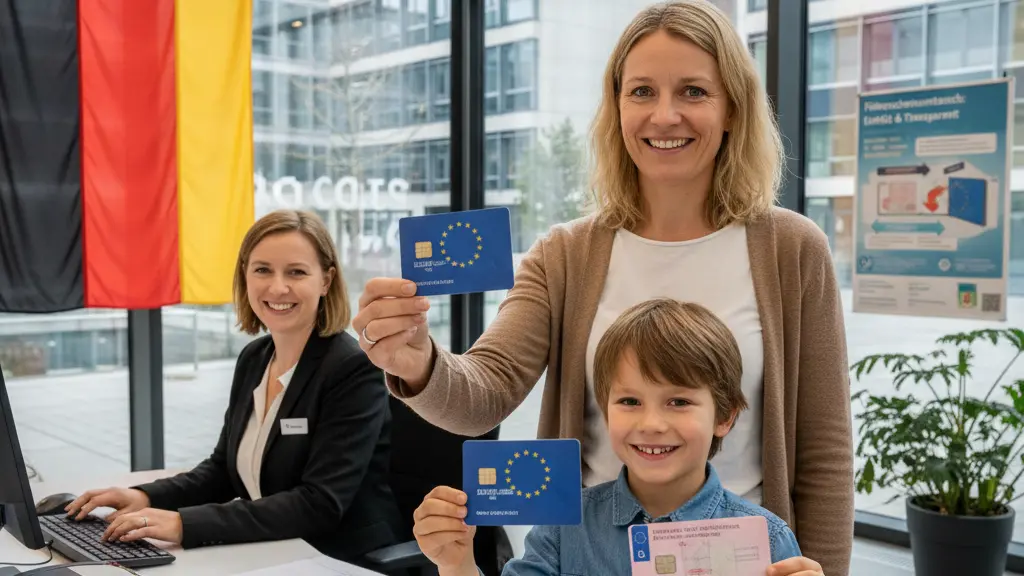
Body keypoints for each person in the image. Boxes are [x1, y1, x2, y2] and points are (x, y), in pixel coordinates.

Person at [352, 1, 853, 573]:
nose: (664, 115)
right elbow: (485, 390)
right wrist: (419, 361)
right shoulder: (568, 253)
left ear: (733, 108)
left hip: (739, 559)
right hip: (589, 554)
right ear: (616, 108)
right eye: (641, 91)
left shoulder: (792, 248)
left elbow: (824, 454)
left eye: (693, 91)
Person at [64, 209, 404, 563]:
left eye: (296, 272)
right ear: (245, 276)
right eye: (262, 270)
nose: (277, 287)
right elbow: (222, 470)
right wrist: (144, 497)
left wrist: (184, 524)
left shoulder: (351, 368)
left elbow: (319, 503)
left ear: (326, 281)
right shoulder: (255, 358)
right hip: (275, 550)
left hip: (341, 558)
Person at [411, 299, 824, 576]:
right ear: (604, 411)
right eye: (629, 401)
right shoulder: (563, 526)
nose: (651, 423)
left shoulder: (765, 537)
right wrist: (458, 564)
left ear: (725, 416)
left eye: (678, 402)